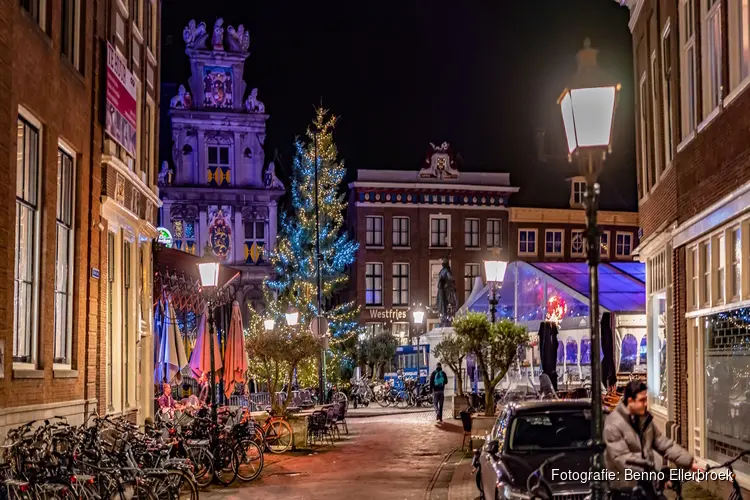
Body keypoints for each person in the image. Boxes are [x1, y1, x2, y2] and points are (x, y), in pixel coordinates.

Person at [604, 380, 700, 496]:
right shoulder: (613, 425)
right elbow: (622, 458)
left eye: (646, 399)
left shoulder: (645, 419)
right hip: (625, 488)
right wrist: (656, 474)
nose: (645, 403)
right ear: (630, 401)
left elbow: (663, 443)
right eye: (642, 400)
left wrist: (688, 462)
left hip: (646, 483)